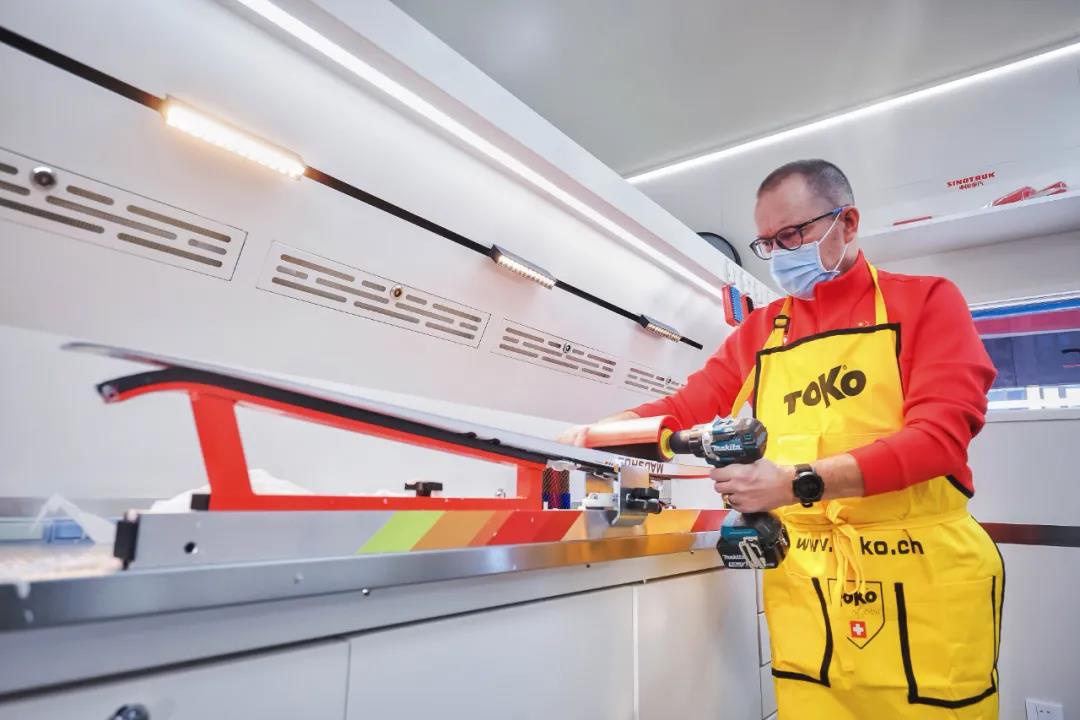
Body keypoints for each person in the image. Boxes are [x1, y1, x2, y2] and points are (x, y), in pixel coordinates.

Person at [559, 160, 1003, 719]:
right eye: (767, 243)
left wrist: (793, 483)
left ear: (847, 222)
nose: (779, 254)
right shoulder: (762, 330)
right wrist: (594, 435)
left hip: (923, 581)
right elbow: (685, 407)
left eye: (792, 234)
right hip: (807, 585)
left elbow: (938, 440)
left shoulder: (926, 301)